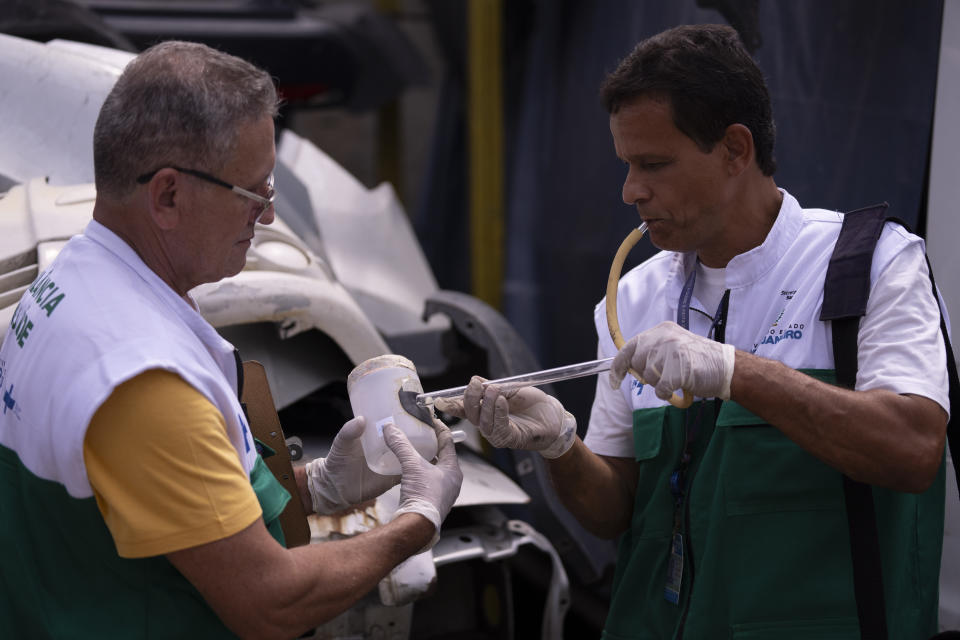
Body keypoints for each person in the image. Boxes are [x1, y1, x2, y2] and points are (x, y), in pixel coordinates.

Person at [436, 24, 950, 638]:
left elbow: (914, 451)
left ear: (736, 149)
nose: (631, 191)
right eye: (627, 165)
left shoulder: (870, 264)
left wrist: (737, 372)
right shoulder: (632, 298)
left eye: (654, 164)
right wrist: (559, 446)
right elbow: (616, 510)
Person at [0, 41, 462, 639]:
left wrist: (314, 487)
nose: (267, 217)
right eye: (254, 193)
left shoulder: (70, 282)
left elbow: (176, 499)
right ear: (167, 195)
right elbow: (271, 603)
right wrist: (417, 523)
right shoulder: (143, 380)